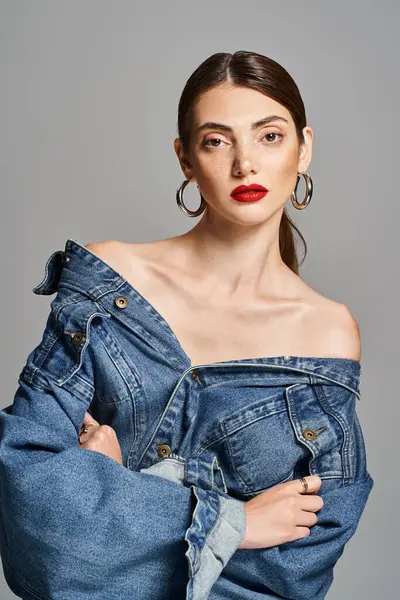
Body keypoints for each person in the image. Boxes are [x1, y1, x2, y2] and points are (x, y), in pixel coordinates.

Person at [0, 50, 374, 600]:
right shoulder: (109, 286)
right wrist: (235, 524)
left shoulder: (328, 333)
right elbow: (38, 525)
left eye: (269, 136)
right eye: (216, 140)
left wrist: (117, 493)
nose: (245, 163)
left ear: (304, 147)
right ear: (186, 159)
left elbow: (290, 579)